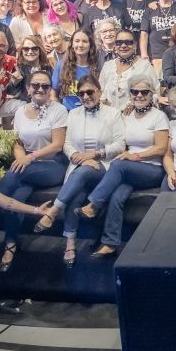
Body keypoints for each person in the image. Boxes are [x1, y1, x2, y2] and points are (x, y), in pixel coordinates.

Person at [34, 76, 125, 267]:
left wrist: (95, 154)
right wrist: (76, 155)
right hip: (79, 164)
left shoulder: (113, 113)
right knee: (76, 192)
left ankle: (52, 211)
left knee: (82, 173)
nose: (85, 96)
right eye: (81, 93)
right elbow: (67, 144)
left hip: (105, 166)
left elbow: (120, 145)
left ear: (99, 92)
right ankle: (70, 244)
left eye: (89, 92)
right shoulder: (73, 114)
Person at [77, 73, 170, 257]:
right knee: (117, 196)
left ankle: (93, 205)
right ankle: (110, 243)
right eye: (135, 92)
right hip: (130, 170)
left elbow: (161, 148)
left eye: (144, 92)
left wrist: (135, 156)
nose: (139, 95)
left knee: (118, 166)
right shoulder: (126, 116)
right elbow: (120, 143)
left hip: (152, 169)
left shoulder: (159, 116)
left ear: (151, 94)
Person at [0, 71, 69, 272]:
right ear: (28, 88)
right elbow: (17, 143)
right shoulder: (20, 112)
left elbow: (57, 145)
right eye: (36, 85)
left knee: (17, 173)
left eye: (45, 86)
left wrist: (29, 158)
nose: (40, 89)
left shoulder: (59, 110)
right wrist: (21, 158)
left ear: (50, 89)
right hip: (28, 166)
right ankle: (10, 244)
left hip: (52, 165)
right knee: (18, 196)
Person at [99, 28, 155, 111]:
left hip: (136, 115)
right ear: (115, 45)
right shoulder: (107, 66)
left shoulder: (145, 66)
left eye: (128, 42)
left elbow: (155, 94)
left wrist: (136, 104)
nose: (123, 46)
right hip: (109, 115)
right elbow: (100, 92)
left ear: (135, 45)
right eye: (119, 42)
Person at [2, 35, 51, 122]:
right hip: (23, 106)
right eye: (26, 49)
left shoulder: (48, 68)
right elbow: (9, 92)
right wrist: (15, 82)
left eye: (34, 48)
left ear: (40, 50)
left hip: (45, 105)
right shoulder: (18, 67)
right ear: (22, 51)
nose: (30, 52)